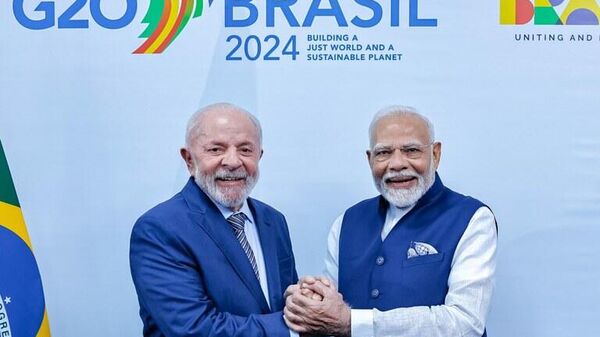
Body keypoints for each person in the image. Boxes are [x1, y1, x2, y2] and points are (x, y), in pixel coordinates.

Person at [284, 105, 497, 337]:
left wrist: (353, 322)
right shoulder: (347, 222)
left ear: (435, 154)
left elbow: (465, 322)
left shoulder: (472, 218)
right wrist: (308, 302)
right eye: (384, 153)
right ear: (370, 159)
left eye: (411, 150)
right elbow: (330, 312)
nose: (397, 164)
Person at [130, 103, 298, 337]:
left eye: (245, 150)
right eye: (216, 150)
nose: (232, 161)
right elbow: (194, 330)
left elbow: (280, 304)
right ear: (189, 160)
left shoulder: (274, 221)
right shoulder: (159, 228)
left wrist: (307, 302)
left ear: (259, 156)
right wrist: (297, 326)